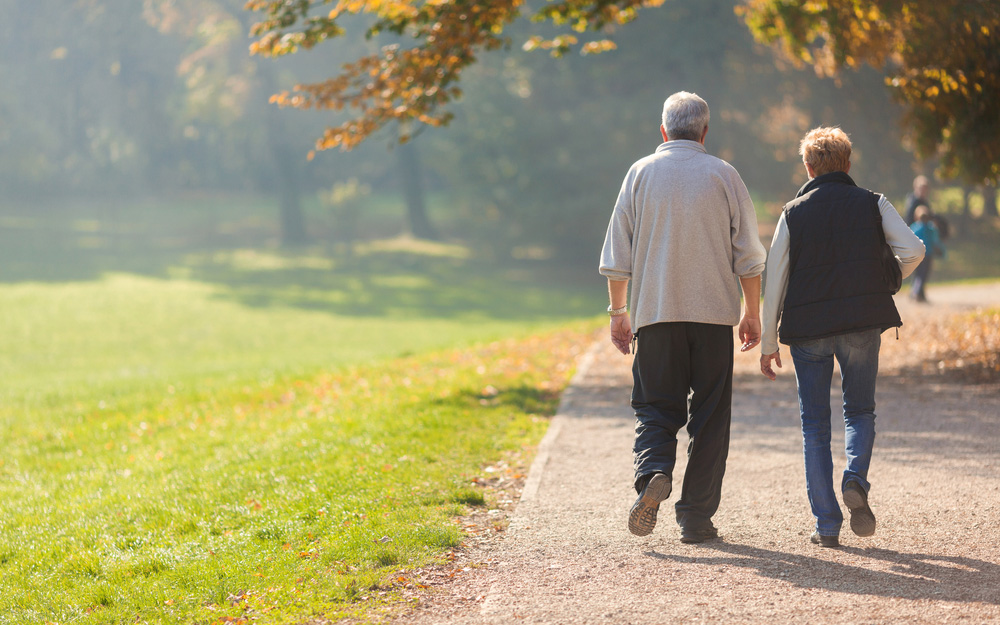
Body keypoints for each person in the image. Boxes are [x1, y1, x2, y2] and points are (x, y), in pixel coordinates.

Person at [599, 91, 767, 543]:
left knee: (655, 406)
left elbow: (617, 254)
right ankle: (695, 518)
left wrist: (618, 312)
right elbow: (749, 256)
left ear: (663, 130)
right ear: (704, 132)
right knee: (710, 418)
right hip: (713, 320)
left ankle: (654, 472)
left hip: (656, 316)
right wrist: (752, 312)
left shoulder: (639, 173)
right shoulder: (724, 175)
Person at [758, 127, 925, 548]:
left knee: (815, 426)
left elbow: (774, 279)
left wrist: (768, 342)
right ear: (848, 164)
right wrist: (887, 278)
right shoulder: (874, 203)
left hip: (808, 330)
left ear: (808, 167)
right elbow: (915, 250)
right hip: (862, 323)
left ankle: (827, 525)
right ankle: (855, 480)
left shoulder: (792, 213)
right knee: (860, 411)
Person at [909, 205, 945, 303]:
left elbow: (910, 240)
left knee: (918, 274)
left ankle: (917, 293)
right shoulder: (931, 228)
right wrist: (941, 251)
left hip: (917, 255)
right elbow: (936, 241)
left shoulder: (914, 228)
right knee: (923, 275)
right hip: (927, 254)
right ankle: (917, 293)